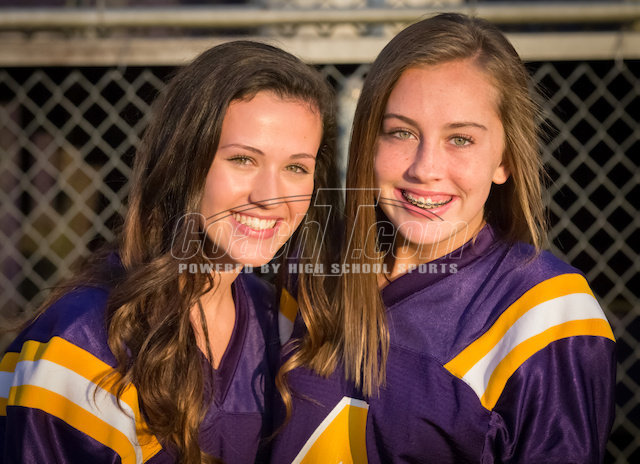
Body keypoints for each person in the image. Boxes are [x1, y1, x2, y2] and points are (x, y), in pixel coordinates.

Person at [271, 13, 616, 463]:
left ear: (505, 160)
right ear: (368, 142)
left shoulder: (546, 313)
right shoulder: (313, 265)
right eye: (401, 132)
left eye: (461, 139)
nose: (425, 168)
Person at [0, 41, 338, 464]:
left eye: (295, 167)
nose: (270, 197)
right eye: (242, 160)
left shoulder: (279, 319)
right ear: (183, 161)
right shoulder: (82, 340)